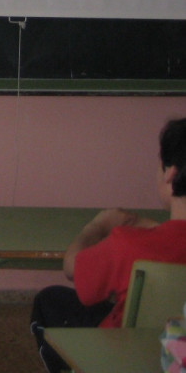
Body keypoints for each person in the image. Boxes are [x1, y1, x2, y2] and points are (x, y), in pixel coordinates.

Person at [30, 117, 186, 373]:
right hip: (176, 356)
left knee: (50, 301)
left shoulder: (128, 244)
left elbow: (72, 268)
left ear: (171, 174)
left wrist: (97, 226)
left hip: (122, 354)